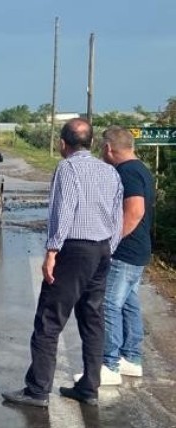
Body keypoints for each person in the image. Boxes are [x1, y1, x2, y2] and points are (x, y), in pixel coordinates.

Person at [2, 118, 123, 408]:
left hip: (75, 250)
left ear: (62, 144)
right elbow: (118, 216)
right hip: (102, 250)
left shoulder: (68, 169)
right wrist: (109, 248)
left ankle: (37, 390)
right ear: (92, 143)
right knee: (93, 319)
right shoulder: (110, 172)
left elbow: (64, 209)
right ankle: (89, 388)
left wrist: (52, 251)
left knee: (49, 319)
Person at [74, 126, 154, 385]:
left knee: (108, 304)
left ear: (109, 148)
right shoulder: (141, 168)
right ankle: (130, 357)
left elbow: (135, 211)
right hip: (139, 249)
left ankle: (108, 364)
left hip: (125, 250)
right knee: (128, 302)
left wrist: (111, 241)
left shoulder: (127, 172)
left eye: (102, 149)